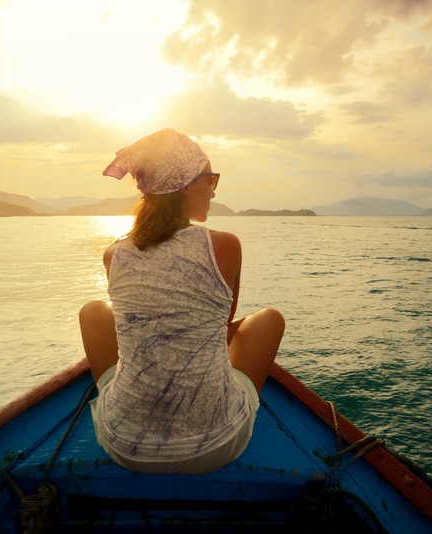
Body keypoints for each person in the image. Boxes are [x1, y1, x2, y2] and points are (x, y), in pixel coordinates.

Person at [79, 128, 285, 475]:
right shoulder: (224, 245)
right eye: (212, 178)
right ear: (187, 184)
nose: (215, 189)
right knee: (269, 319)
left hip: (124, 445)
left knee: (92, 311)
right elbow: (221, 326)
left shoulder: (114, 254)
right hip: (216, 444)